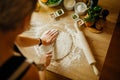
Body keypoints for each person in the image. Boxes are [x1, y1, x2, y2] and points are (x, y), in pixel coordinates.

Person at [0, 0, 59, 80]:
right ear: (25, 20)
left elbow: (18, 40)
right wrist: (42, 65)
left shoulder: (4, 32)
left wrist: (41, 40)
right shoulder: (23, 71)